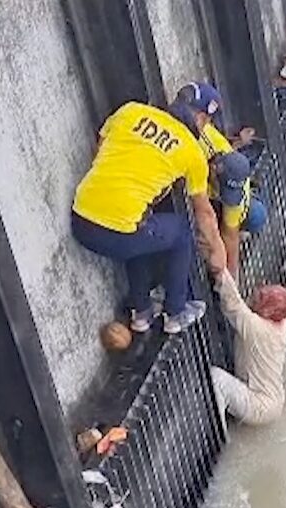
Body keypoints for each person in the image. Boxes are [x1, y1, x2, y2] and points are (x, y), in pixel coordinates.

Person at [71, 83, 227, 334]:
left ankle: (141, 313)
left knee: (139, 223)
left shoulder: (131, 111)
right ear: (200, 118)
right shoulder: (191, 151)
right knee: (181, 231)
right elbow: (204, 213)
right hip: (118, 235)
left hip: (80, 220)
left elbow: (100, 149)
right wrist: (219, 253)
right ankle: (176, 312)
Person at [207, 261, 286, 427]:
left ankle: (221, 433)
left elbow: (232, 305)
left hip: (260, 404)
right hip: (274, 400)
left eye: (261, 296)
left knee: (216, 378)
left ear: (268, 312)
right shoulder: (280, 324)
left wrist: (221, 271)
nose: (256, 292)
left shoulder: (258, 329)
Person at [197, 118, 268, 276]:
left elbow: (231, 236)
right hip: (195, 187)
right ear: (215, 169)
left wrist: (230, 277)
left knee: (256, 215)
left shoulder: (238, 190)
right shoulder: (201, 145)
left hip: (210, 198)